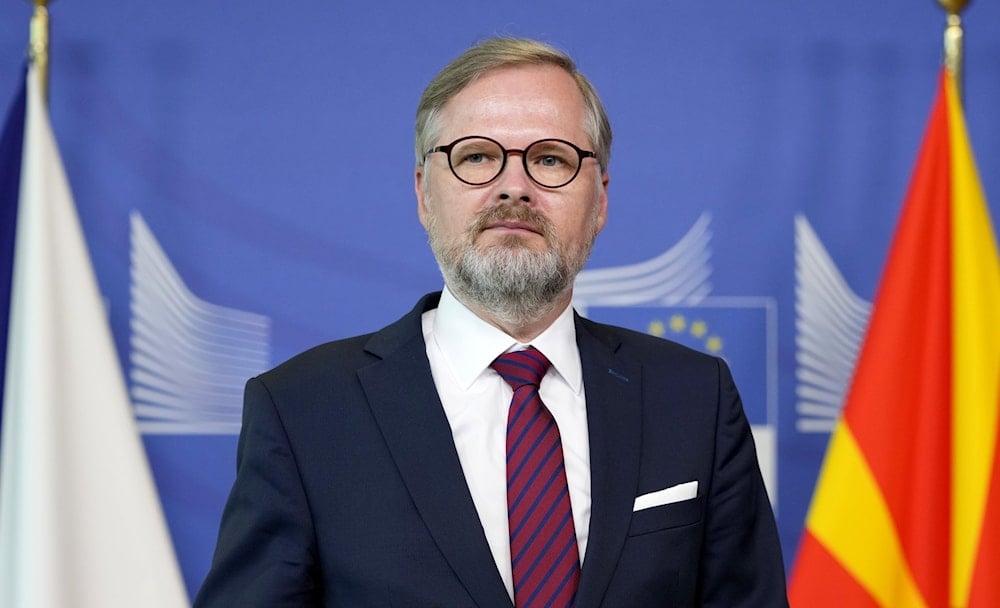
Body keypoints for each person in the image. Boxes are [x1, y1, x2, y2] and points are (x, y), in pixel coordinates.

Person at [194, 37, 788, 607]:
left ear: (600, 200)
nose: (514, 188)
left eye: (550, 159)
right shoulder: (303, 409)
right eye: (477, 156)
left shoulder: (694, 398)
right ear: (425, 194)